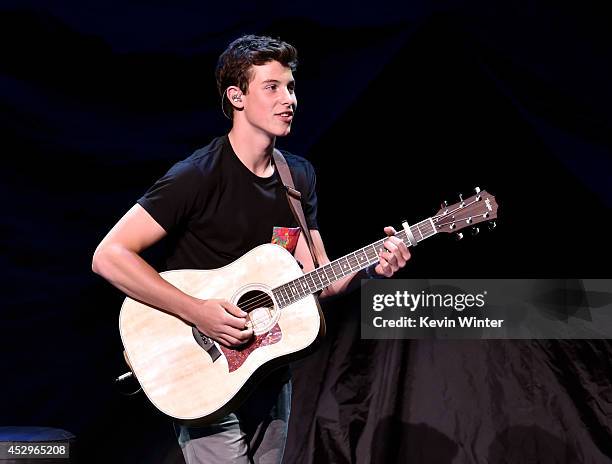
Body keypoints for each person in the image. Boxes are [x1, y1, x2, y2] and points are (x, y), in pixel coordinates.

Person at [92, 34, 410, 464]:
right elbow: (109, 256)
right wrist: (196, 310)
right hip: (202, 367)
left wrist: (374, 269)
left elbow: (319, 279)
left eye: (291, 87)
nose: (289, 99)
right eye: (272, 87)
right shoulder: (198, 175)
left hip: (268, 371)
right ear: (236, 97)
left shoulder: (297, 177)